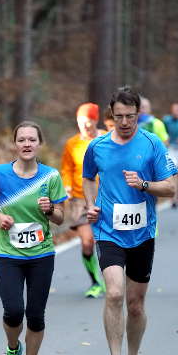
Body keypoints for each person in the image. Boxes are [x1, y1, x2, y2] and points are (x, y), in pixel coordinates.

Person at [83, 86, 177, 355]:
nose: (125, 122)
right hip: (108, 230)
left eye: (131, 116)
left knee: (135, 304)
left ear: (139, 114)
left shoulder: (152, 144)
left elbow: (171, 187)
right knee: (113, 294)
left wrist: (144, 184)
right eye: (119, 116)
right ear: (111, 115)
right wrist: (90, 203)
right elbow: (87, 177)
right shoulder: (97, 146)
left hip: (142, 232)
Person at [0, 121, 67, 355]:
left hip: (41, 254)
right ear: (14, 144)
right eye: (22, 140)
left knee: (36, 314)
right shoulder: (0, 174)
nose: (27, 144)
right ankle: (12, 348)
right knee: (14, 310)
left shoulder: (50, 176)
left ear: (39, 144)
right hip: (9, 254)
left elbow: (62, 219)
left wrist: (50, 209)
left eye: (32, 139)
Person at [60, 103, 106, 298]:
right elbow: (67, 168)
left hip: (106, 196)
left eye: (89, 121)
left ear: (96, 120)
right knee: (87, 242)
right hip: (80, 199)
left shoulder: (107, 137)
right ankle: (96, 281)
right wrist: (67, 185)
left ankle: (114, 277)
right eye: (81, 122)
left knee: (106, 241)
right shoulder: (72, 144)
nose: (85, 126)